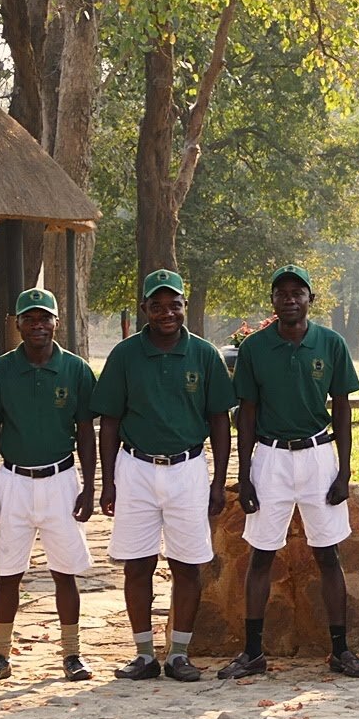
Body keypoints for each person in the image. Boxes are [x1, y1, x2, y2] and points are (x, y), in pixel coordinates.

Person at [218, 266, 359, 679]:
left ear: (309, 299)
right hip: (271, 457)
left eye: (297, 292)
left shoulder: (330, 343)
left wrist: (343, 470)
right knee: (261, 554)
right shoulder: (254, 348)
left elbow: (341, 407)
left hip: (318, 454)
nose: (289, 298)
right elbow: (245, 414)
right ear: (273, 301)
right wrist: (245, 474)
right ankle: (252, 652)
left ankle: (340, 650)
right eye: (281, 293)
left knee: (328, 553)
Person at [91, 268, 236, 682]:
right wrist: (109, 480)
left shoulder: (204, 354)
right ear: (144, 309)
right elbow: (111, 420)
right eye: (157, 305)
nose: (166, 312)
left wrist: (217, 480)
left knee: (187, 564)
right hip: (136, 467)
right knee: (137, 564)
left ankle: (178, 654)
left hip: (187, 468)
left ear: (184, 307)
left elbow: (219, 420)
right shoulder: (125, 355)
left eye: (174, 304)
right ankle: (142, 654)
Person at [0, 288, 98, 683]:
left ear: (56, 322)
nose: (38, 325)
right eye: (30, 318)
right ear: (18, 324)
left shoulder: (75, 370)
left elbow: (86, 433)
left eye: (45, 318)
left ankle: (72, 654)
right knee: (8, 572)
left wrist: (89, 486)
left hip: (60, 479)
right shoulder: (0, 371)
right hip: (12, 480)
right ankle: (0, 655)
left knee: (65, 571)